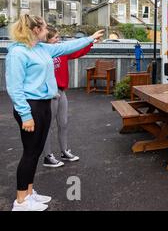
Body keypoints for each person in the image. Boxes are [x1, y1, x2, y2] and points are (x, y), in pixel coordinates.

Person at [5, 14, 104, 211]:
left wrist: (90, 38)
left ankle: (30, 193)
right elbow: (14, 88)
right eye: (43, 27)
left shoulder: (42, 48)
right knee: (29, 153)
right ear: (35, 30)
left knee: (36, 151)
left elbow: (67, 47)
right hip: (30, 106)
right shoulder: (17, 53)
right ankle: (21, 201)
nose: (46, 30)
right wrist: (25, 115)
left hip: (43, 104)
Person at [42, 26, 94, 168]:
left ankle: (64, 151)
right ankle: (48, 156)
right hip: (50, 94)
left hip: (62, 91)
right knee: (47, 126)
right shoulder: (42, 53)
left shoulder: (61, 51)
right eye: (56, 37)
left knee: (63, 123)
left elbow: (77, 52)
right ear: (47, 39)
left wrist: (90, 42)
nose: (59, 40)